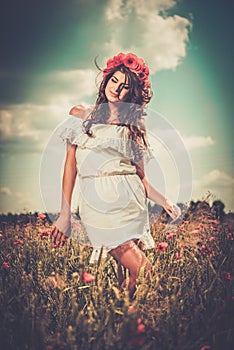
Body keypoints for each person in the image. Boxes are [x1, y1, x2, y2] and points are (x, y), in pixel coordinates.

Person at [50, 52, 181, 297]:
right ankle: (129, 324)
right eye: (114, 81)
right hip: (98, 204)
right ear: (105, 79)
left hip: (132, 203)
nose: (117, 89)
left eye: (125, 87)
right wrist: (65, 214)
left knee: (132, 278)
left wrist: (165, 201)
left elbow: (140, 176)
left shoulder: (134, 126)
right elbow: (70, 167)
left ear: (131, 94)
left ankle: (125, 325)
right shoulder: (80, 114)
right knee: (145, 272)